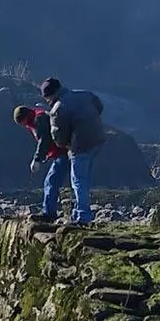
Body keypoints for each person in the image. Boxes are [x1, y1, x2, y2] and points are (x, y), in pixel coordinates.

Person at [41, 77, 106, 227]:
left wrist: (66, 146)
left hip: (80, 145)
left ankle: (83, 215)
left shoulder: (58, 108)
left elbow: (59, 137)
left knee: (79, 180)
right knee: (85, 177)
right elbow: (99, 107)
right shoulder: (86, 94)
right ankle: (78, 212)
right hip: (98, 139)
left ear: (49, 95)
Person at [12, 105, 69, 221]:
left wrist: (37, 159)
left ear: (23, 118)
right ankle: (50, 212)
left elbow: (44, 140)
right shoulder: (37, 118)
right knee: (53, 181)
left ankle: (49, 214)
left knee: (51, 181)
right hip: (62, 152)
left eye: (21, 123)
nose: (23, 126)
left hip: (63, 153)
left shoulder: (38, 120)